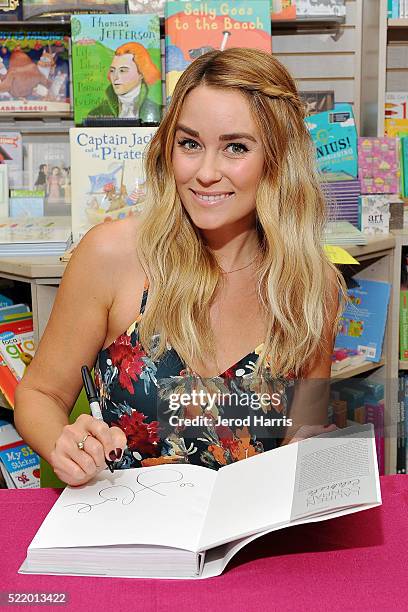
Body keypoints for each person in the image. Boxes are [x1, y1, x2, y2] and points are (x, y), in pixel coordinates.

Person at [14, 48, 345, 487]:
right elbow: (39, 395)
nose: (205, 172)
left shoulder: (310, 284)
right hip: (128, 536)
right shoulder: (113, 255)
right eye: (190, 144)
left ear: (278, 161)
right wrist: (66, 442)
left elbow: (301, 430)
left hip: (252, 540)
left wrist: (312, 451)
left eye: (235, 147)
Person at [88, 42, 161, 123]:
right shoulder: (97, 113)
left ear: (141, 73)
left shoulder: (158, 112)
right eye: (112, 70)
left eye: (122, 70)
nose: (115, 77)